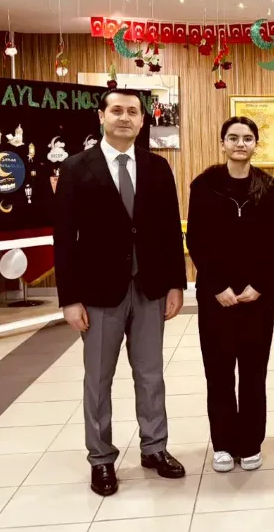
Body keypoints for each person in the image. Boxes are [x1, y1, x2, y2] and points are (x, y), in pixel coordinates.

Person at [54, 88, 187, 497]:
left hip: (149, 288)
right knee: (98, 379)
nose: (125, 117)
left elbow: (170, 230)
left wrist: (176, 284)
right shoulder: (76, 168)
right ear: (101, 116)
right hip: (97, 293)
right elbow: (64, 238)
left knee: (150, 375)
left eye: (132, 111)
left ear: (143, 121)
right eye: (117, 110)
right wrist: (69, 298)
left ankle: (154, 447)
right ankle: (101, 457)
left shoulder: (158, 168)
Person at [186, 117, 274, 473]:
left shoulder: (269, 187)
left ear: (256, 144)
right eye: (233, 138)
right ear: (222, 144)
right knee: (219, 373)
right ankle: (224, 444)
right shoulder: (204, 186)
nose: (240, 144)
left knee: (254, 372)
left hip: (257, 296)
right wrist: (217, 286)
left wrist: (259, 283)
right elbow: (196, 239)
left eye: (247, 138)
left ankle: (251, 442)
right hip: (216, 297)